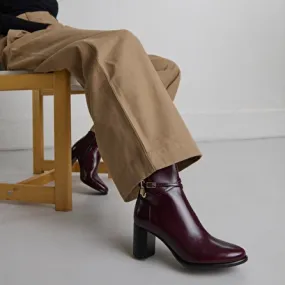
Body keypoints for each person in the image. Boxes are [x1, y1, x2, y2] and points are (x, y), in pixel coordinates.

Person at [0, 0, 248, 269]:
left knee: (165, 69)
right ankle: (160, 196)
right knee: (120, 43)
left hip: (50, 28)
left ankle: (92, 145)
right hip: (15, 35)